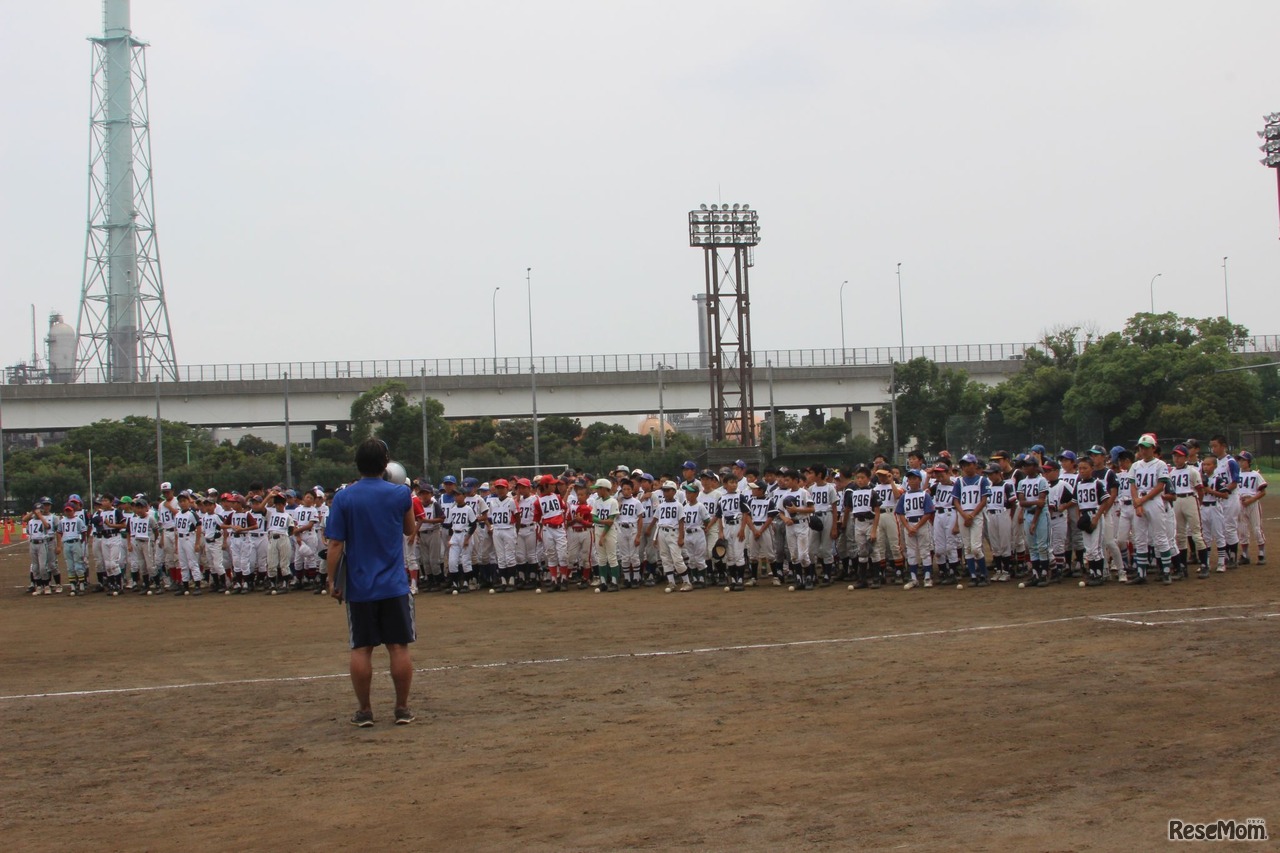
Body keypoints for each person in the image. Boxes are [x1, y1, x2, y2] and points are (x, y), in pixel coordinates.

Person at [325, 439, 417, 727]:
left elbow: (335, 544)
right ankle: (401, 708)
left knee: (361, 648)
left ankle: (365, 711)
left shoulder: (344, 497)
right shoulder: (401, 493)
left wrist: (331, 579)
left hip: (360, 585)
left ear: (357, 464)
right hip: (394, 584)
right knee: (398, 647)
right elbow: (410, 529)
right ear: (385, 463)